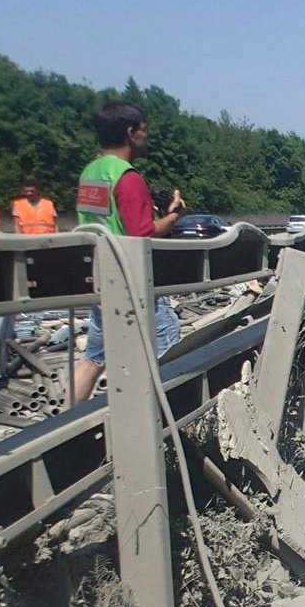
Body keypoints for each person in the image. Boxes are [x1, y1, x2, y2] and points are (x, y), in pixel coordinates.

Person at [71, 101, 186, 404]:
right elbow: (141, 234)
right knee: (168, 348)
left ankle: (62, 428)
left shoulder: (90, 173)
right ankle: (170, 422)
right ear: (131, 132)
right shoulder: (127, 177)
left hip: (101, 276)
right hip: (131, 281)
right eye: (143, 131)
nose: (145, 136)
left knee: (95, 357)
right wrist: (174, 216)